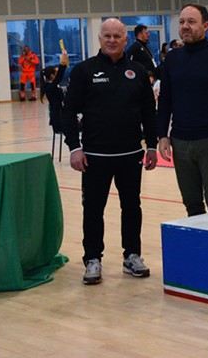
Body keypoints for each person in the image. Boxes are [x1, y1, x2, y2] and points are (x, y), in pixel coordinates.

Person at [61, 18, 158, 286]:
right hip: (95, 157)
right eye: (107, 36)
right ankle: (93, 259)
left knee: (132, 207)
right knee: (93, 210)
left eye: (117, 36)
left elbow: (149, 112)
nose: (112, 40)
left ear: (126, 39)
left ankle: (132, 256)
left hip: (131, 154)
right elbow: (68, 112)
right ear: (100, 39)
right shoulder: (84, 71)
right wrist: (75, 148)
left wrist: (151, 145)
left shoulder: (138, 71)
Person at [157, 4, 208, 217]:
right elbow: (165, 100)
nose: (185, 26)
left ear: (205, 25)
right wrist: (162, 135)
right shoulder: (172, 59)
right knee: (191, 203)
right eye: (182, 22)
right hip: (180, 140)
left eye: (191, 22)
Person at [39, 50, 69, 134]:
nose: (57, 74)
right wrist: (62, 63)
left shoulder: (51, 86)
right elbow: (59, 77)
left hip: (61, 118)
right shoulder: (50, 87)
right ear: (52, 76)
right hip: (59, 122)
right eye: (56, 73)